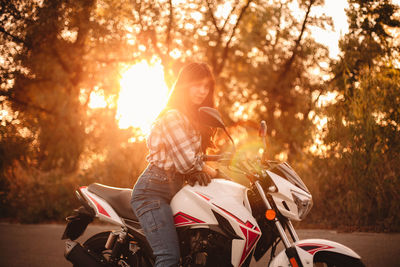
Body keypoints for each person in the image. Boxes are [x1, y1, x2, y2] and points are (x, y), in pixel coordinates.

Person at [130, 62, 220, 267]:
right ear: (185, 85)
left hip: (175, 190)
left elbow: (196, 159)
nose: (202, 91)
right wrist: (214, 172)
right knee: (169, 258)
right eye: (197, 85)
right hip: (153, 192)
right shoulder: (172, 116)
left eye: (206, 87)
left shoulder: (193, 119)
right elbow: (187, 162)